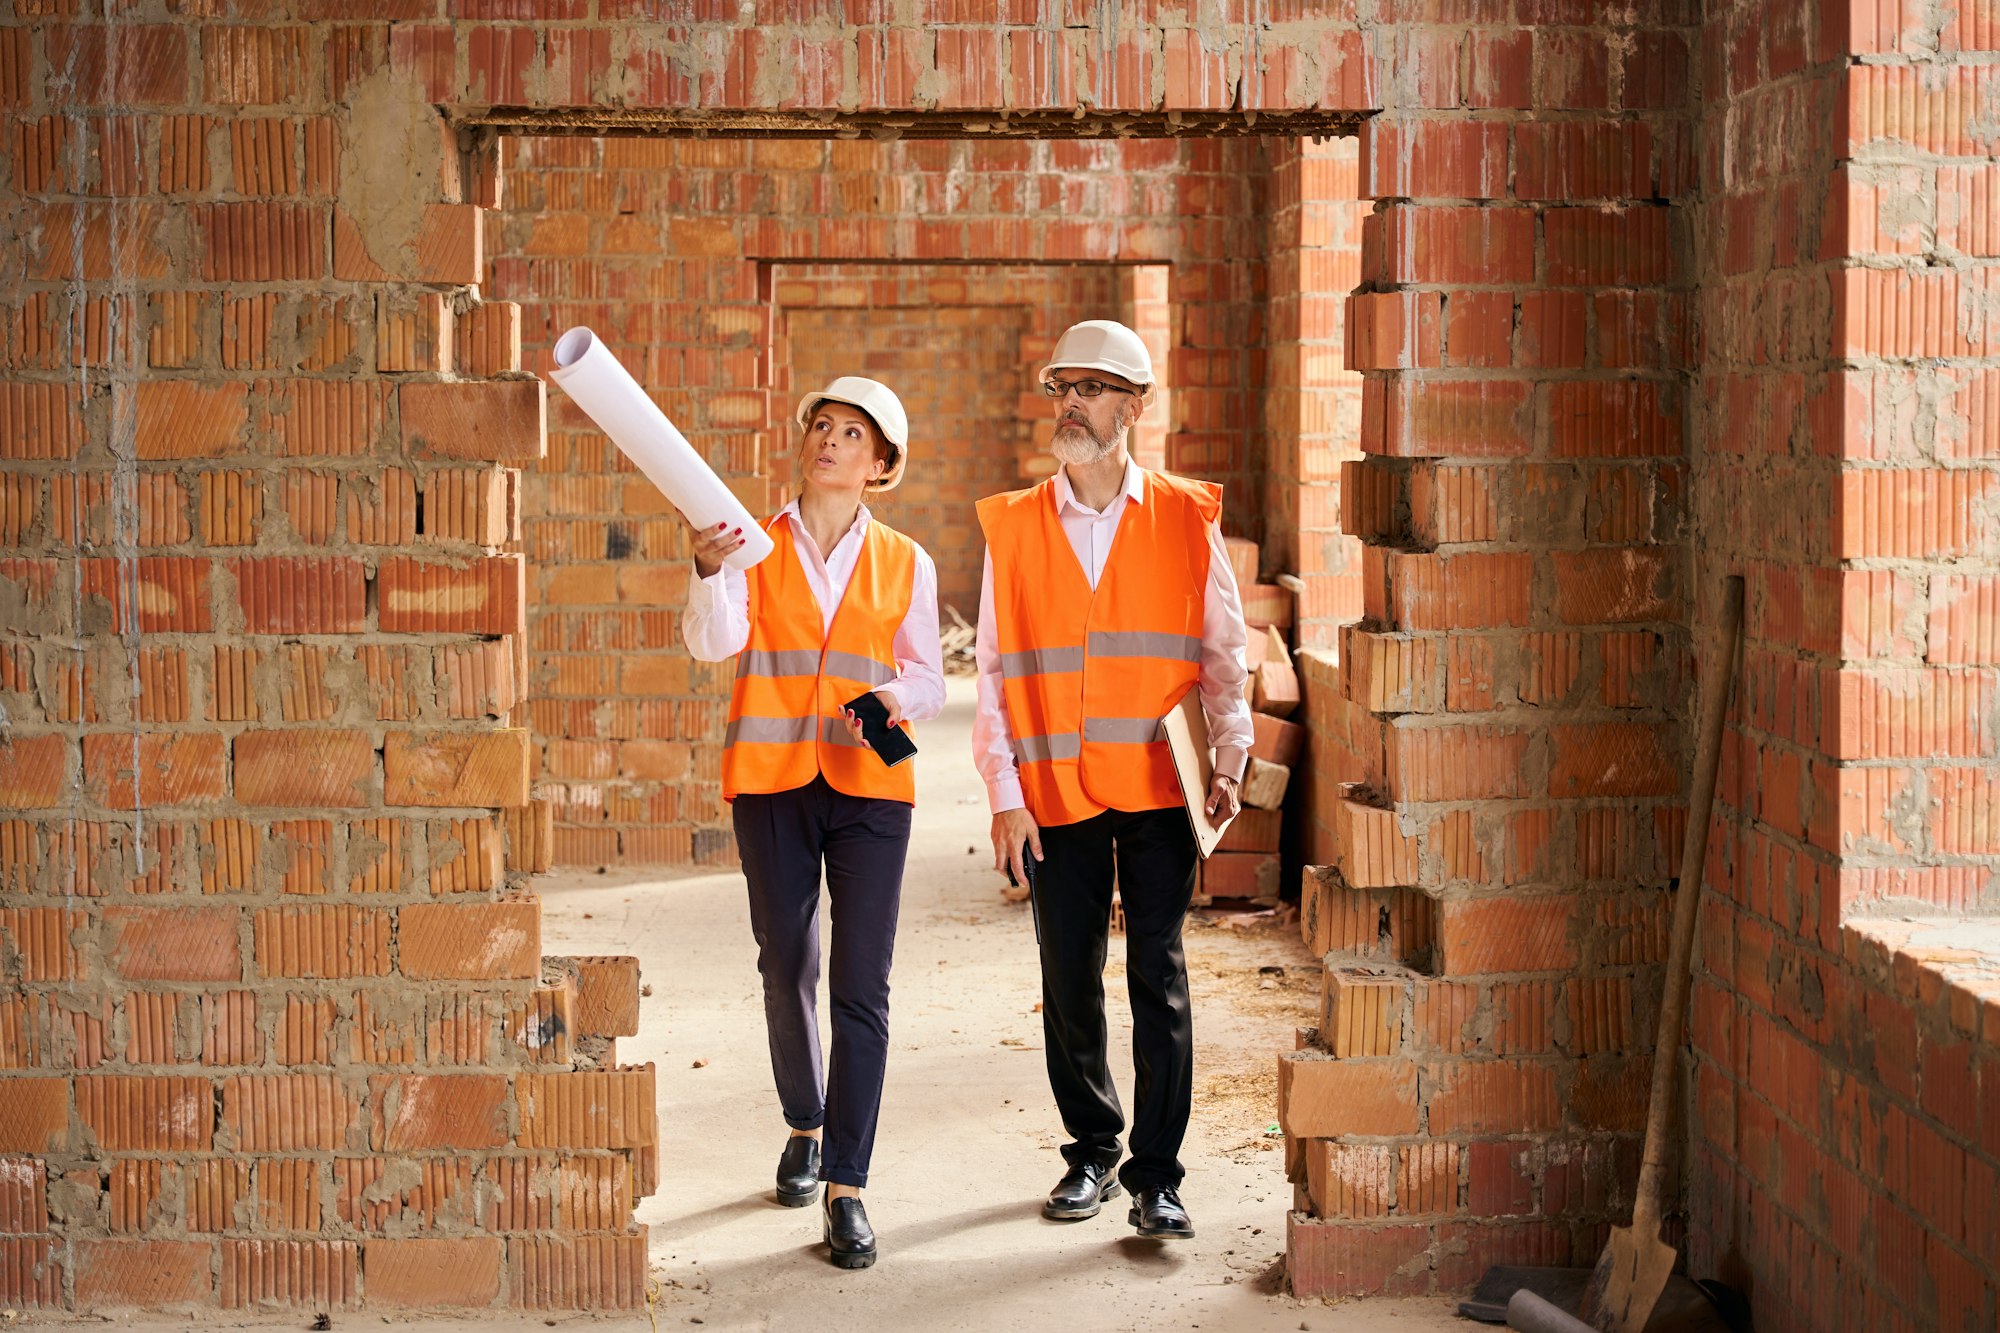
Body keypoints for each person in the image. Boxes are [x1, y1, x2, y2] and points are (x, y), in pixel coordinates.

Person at [972, 320, 1252, 1242]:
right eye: (1063, 388)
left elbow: (1222, 650)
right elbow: (995, 671)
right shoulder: (1013, 525)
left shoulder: (1184, 514)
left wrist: (1231, 752)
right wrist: (1003, 791)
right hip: (1055, 789)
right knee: (1068, 975)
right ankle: (1092, 1148)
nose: (1072, 404)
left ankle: (1158, 1176)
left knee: (1157, 977)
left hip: (1160, 784)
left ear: (1135, 406)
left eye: (1092, 388)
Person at [681, 376, 944, 1270]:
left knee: (862, 985)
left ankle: (848, 1184)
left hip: (873, 780)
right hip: (773, 777)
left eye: (851, 434)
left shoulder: (908, 559)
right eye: (821, 427)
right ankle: (804, 1119)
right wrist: (711, 569)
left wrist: (887, 697)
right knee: (788, 961)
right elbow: (713, 645)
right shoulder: (750, 544)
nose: (829, 441)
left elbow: (929, 679)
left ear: (880, 466)